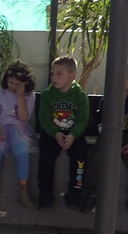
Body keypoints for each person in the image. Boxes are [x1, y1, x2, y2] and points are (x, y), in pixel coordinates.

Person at [86, 61, 128, 217]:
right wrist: (107, 138)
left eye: (126, 78)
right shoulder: (108, 98)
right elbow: (100, 121)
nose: (121, 81)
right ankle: (91, 194)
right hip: (108, 135)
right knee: (94, 159)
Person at [36, 56, 90, 211]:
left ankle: (75, 191)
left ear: (72, 76)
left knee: (80, 155)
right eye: (53, 74)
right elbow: (44, 118)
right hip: (53, 133)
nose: (54, 77)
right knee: (46, 154)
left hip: (73, 134)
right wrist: (55, 133)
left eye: (59, 74)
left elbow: (83, 119)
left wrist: (73, 135)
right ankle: (45, 192)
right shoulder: (48, 95)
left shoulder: (80, 96)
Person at [0, 61, 36, 208]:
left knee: (23, 151)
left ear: (25, 82)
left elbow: (24, 118)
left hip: (20, 130)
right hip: (0, 128)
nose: (13, 86)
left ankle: (23, 190)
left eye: (17, 84)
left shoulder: (30, 96)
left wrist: (21, 97)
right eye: (11, 83)